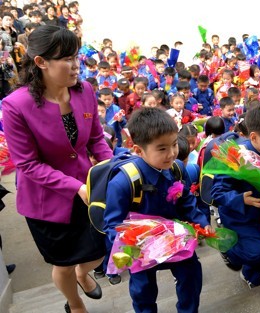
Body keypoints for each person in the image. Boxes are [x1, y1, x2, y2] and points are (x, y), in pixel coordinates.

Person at [2, 25, 113, 313]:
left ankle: (83, 274)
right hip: (47, 201)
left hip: (87, 188)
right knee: (63, 264)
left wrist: (110, 166)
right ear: (40, 62)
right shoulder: (15, 106)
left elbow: (97, 138)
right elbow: (27, 164)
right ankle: (75, 304)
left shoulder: (84, 90)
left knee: (100, 250)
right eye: (67, 58)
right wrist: (76, 187)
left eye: (77, 56)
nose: (76, 65)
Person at [103, 107, 211, 313]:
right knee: (143, 290)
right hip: (141, 246)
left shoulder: (177, 168)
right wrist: (129, 249)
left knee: (191, 276)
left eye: (173, 145)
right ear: (138, 150)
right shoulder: (124, 182)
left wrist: (202, 222)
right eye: (161, 149)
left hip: (174, 239)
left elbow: (186, 200)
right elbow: (112, 225)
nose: (171, 153)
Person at [211, 102, 260, 288]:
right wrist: (240, 199)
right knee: (258, 253)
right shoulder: (235, 157)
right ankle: (228, 247)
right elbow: (217, 192)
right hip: (238, 215)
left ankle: (249, 275)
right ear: (254, 137)